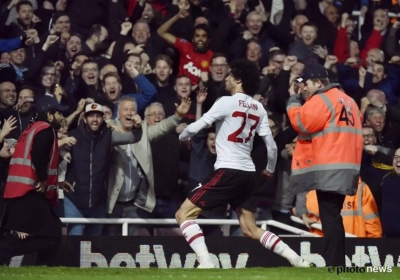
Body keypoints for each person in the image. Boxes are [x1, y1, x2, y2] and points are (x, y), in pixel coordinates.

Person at [175, 59, 311, 268]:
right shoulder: (258, 107)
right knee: (250, 229)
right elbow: (272, 147)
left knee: (183, 214)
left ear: (238, 80)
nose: (226, 78)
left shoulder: (225, 102)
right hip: (248, 174)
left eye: (230, 75)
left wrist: (182, 135)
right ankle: (297, 260)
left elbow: (198, 126)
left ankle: (206, 262)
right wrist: (269, 169)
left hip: (228, 170)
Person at [286, 64, 363, 266]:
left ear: (319, 83)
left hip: (330, 167)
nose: (305, 89)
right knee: (333, 216)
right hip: (348, 167)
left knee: (330, 218)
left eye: (308, 84)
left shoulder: (322, 98)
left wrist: (293, 100)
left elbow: (301, 122)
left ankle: (335, 263)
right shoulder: (350, 101)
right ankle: (337, 262)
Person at [0, 97, 71, 266]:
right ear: (49, 114)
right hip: (29, 190)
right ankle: (6, 251)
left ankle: (42, 266)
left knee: (51, 231)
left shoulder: (31, 129)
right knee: (52, 234)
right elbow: (39, 155)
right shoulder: (45, 129)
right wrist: (43, 179)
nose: (61, 116)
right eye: (58, 112)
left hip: (20, 190)